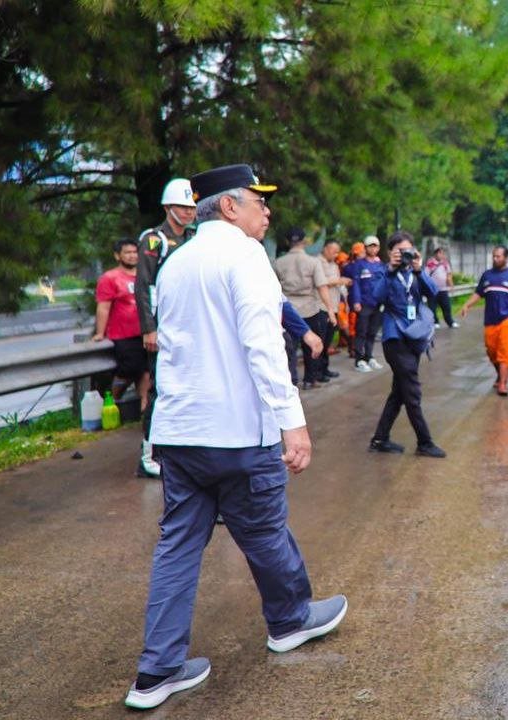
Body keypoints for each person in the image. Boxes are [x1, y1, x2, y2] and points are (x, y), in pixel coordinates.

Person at [125, 164, 346, 710]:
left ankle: (157, 671)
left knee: (177, 546)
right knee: (265, 531)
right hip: (237, 434)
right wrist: (291, 419)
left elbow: (173, 348)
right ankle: (291, 620)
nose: (266, 212)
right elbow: (263, 344)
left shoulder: (176, 262)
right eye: (258, 202)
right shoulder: (244, 256)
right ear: (229, 207)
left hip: (181, 433)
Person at [134, 178, 197, 478]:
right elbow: (143, 286)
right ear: (168, 207)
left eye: (191, 207)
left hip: (189, 326)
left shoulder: (195, 238)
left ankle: (179, 452)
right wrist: (149, 328)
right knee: (160, 389)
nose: (187, 213)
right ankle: (148, 454)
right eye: (182, 207)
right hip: (162, 328)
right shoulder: (153, 240)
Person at [366, 230, 446, 458]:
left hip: (414, 338)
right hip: (395, 339)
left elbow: (433, 293)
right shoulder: (384, 272)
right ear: (390, 253)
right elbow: (376, 297)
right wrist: (390, 270)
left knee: (399, 392)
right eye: (399, 251)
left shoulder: (415, 273)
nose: (404, 255)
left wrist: (420, 270)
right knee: (412, 390)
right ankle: (424, 441)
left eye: (408, 251)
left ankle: (380, 439)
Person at [459, 246, 508, 396]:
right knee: (491, 350)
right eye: (494, 256)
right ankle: (500, 374)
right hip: (490, 320)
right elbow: (478, 293)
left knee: (505, 351)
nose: (495, 259)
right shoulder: (487, 276)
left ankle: (502, 384)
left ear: (506, 258)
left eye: (498, 256)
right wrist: (467, 305)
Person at [92, 238, 149, 413]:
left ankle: (144, 409)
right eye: (127, 252)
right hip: (123, 334)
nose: (132, 256)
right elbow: (103, 306)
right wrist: (100, 333)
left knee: (146, 371)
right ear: (117, 255)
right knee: (128, 369)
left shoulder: (144, 275)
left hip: (145, 332)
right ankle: (112, 400)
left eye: (134, 252)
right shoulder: (110, 278)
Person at [274, 229, 335, 389]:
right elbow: (322, 287)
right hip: (311, 310)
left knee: (290, 349)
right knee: (312, 348)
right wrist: (329, 309)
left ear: (288, 242)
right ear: (304, 242)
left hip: (288, 312)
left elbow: (273, 288)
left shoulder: (278, 262)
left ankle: (291, 381)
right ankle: (309, 380)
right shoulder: (312, 262)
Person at [347, 235, 385, 373]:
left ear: (379, 248)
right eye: (370, 246)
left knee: (372, 332)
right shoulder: (359, 265)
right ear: (366, 247)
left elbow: (385, 284)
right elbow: (355, 284)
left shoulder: (381, 265)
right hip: (364, 304)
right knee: (361, 332)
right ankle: (359, 360)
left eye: (375, 246)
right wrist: (356, 301)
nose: (373, 248)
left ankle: (369, 357)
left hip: (378, 304)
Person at [318, 239, 349, 375]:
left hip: (334, 306)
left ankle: (324, 368)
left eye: (338, 252)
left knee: (328, 339)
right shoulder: (317, 263)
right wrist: (339, 281)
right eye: (334, 251)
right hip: (322, 307)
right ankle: (316, 372)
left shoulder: (334, 265)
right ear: (325, 248)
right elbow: (320, 282)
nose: (336, 254)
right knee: (321, 340)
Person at [425, 247, 459, 328]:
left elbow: (449, 274)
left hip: (443, 290)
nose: (442, 255)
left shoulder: (445, 264)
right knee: (432, 308)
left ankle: (450, 322)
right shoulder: (430, 263)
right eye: (440, 253)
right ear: (436, 254)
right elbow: (425, 276)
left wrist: (451, 285)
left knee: (447, 307)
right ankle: (435, 322)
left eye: (443, 253)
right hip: (432, 290)